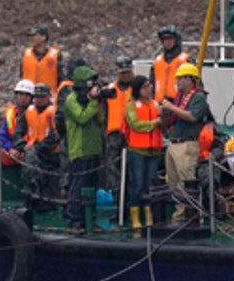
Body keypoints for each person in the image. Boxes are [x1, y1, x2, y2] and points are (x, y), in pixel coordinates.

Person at [160, 62, 212, 224]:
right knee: (174, 182)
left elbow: (192, 116)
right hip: (173, 143)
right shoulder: (179, 98)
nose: (177, 82)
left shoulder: (198, 97)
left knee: (187, 180)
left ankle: (193, 215)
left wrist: (172, 108)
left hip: (187, 144)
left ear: (190, 80)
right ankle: (180, 213)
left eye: (181, 78)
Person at [63, 65, 107, 232]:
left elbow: (100, 121)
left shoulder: (90, 102)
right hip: (80, 150)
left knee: (92, 188)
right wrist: (93, 103)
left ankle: (90, 219)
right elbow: (82, 118)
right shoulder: (71, 100)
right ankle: (74, 221)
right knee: (77, 187)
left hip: (94, 149)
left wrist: (99, 106)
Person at [123, 75, 163, 228]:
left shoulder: (155, 104)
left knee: (150, 185)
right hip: (138, 150)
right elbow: (135, 124)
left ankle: (149, 215)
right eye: (145, 87)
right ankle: (135, 217)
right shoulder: (131, 105)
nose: (149, 89)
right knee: (138, 184)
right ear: (138, 90)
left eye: (149, 86)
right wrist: (154, 123)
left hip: (153, 151)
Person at [23, 82, 61, 209]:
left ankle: (49, 203)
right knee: (30, 166)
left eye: (42, 97)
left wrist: (38, 148)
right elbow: (19, 132)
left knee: (50, 180)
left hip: (51, 154)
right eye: (37, 97)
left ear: (48, 96)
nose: (39, 100)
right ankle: (33, 196)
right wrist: (22, 146)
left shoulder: (54, 112)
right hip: (33, 153)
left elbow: (55, 135)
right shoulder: (28, 112)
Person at [102, 56, 134, 202]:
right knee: (113, 171)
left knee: (132, 172)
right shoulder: (109, 90)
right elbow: (102, 113)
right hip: (113, 135)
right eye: (122, 72)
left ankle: (132, 204)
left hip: (133, 135)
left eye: (127, 72)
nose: (125, 75)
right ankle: (118, 204)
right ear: (117, 72)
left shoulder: (138, 89)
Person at [0, 79, 33, 162]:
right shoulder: (10, 112)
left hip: (31, 151)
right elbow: (2, 134)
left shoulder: (36, 113)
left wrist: (25, 150)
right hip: (13, 150)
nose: (23, 97)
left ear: (31, 97)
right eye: (20, 94)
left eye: (26, 95)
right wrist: (10, 149)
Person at [152, 25, 190, 104]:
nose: (167, 42)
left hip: (180, 105)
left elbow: (196, 85)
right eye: (165, 39)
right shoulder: (157, 61)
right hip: (160, 104)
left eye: (170, 39)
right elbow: (151, 84)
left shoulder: (186, 60)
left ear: (176, 40)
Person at [20, 25, 61, 92]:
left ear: (43, 37)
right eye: (30, 36)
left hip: (49, 96)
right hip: (29, 94)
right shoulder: (26, 54)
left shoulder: (55, 55)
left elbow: (61, 78)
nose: (31, 38)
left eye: (34, 35)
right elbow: (21, 75)